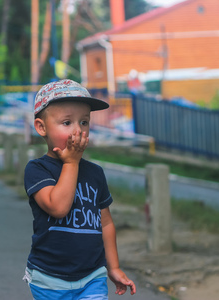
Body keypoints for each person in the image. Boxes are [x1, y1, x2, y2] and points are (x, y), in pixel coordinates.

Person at [23, 79, 136, 299]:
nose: (78, 130)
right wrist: (71, 163)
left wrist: (112, 267)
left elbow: (106, 222)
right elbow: (58, 207)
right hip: (49, 279)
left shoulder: (95, 173)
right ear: (41, 127)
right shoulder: (37, 170)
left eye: (84, 122)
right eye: (67, 123)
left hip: (92, 277)